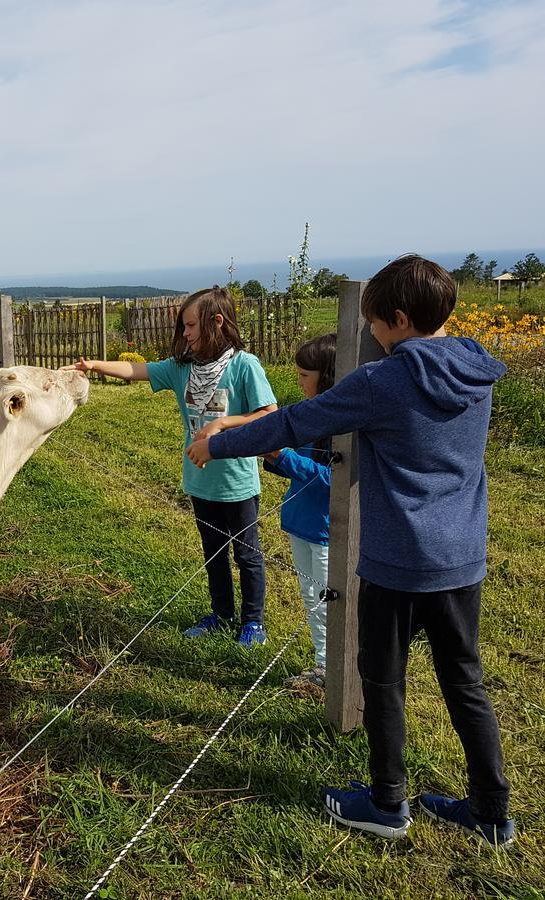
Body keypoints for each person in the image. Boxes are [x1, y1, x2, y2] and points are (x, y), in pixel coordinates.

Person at [187, 255, 515, 846]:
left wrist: (223, 442)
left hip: (397, 559)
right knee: (465, 679)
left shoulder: (383, 381)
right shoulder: (476, 369)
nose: (371, 339)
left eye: (373, 328)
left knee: (383, 680)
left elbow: (295, 422)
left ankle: (387, 804)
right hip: (462, 555)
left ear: (396, 319)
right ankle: (492, 810)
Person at [68, 285, 278, 646]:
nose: (185, 334)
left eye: (191, 326)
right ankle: (222, 614)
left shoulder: (245, 366)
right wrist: (94, 365)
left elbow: (269, 414)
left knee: (247, 554)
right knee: (213, 553)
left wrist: (222, 425)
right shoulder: (183, 369)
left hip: (237, 483)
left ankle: (253, 621)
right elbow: (137, 370)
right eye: (184, 327)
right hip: (200, 483)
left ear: (217, 321)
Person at [262, 333, 337, 691]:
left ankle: (336, 673)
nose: (298, 381)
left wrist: (286, 458)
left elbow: (335, 481)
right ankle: (324, 668)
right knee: (312, 600)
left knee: (327, 604)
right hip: (302, 525)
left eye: (305, 375)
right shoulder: (311, 418)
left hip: (326, 532)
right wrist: (274, 458)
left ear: (327, 377)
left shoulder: (343, 428)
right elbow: (301, 465)